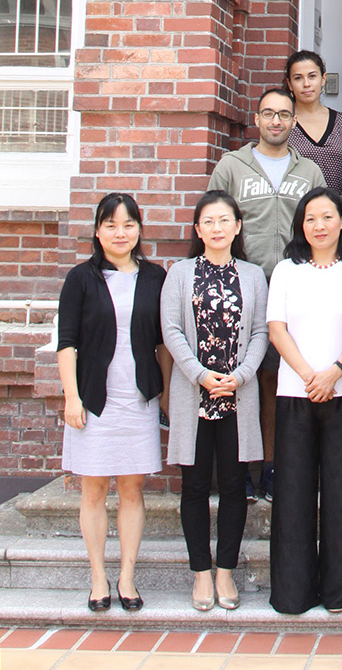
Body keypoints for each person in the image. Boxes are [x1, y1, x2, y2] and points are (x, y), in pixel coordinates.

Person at [207, 87, 326, 503]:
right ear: (256, 120)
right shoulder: (231, 166)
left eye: (284, 115)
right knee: (241, 379)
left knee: (279, 380)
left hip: (292, 289)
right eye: (269, 114)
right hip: (239, 286)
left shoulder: (309, 171)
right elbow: (210, 219)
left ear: (295, 122)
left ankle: (273, 468)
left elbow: (321, 224)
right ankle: (238, 470)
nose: (276, 121)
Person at [56, 193, 170, 613]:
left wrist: (166, 398)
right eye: (111, 225)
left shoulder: (155, 277)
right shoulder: (81, 279)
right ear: (97, 230)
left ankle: (126, 576)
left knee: (132, 488)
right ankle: (97, 576)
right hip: (93, 400)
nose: (120, 233)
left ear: (139, 229)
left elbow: (163, 344)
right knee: (93, 488)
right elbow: (66, 343)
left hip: (137, 398)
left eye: (128, 225)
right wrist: (72, 397)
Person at [266, 187, 342, 615]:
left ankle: (341, 591)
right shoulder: (286, 271)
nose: (319, 226)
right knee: (293, 495)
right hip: (295, 393)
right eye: (310, 218)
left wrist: (335, 372)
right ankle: (293, 593)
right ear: (301, 225)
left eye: (327, 217)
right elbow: (277, 329)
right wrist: (311, 375)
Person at [161, 190, 269, 612]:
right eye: (209, 221)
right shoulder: (181, 273)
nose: (217, 228)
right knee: (193, 486)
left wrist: (239, 377)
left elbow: (261, 332)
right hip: (195, 393)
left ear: (238, 226)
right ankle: (200, 575)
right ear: (197, 229)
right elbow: (171, 331)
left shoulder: (254, 275)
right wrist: (201, 376)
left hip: (237, 396)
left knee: (233, 485)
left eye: (225, 220)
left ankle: (226, 572)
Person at [284, 50, 342, 196]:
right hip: (294, 211)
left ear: (323, 78)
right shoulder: (283, 123)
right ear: (289, 83)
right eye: (298, 78)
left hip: (335, 210)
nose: (306, 84)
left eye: (312, 76)